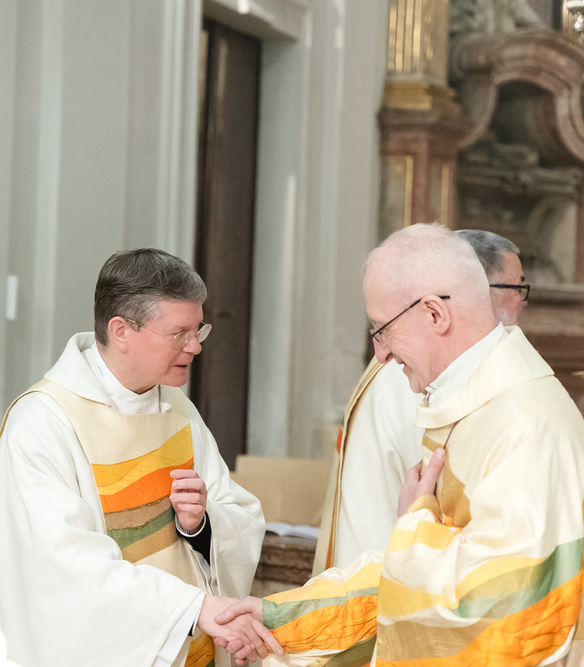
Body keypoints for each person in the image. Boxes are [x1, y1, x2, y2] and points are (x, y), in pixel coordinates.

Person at [217, 224, 584, 666]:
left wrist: (415, 524)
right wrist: (285, 618)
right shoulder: (467, 401)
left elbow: (509, 609)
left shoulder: (523, 423)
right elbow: (409, 568)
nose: (381, 354)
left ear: (435, 314)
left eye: (382, 329)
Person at [0, 249, 280, 667]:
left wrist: (201, 525)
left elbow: (238, 514)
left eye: (198, 329)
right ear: (121, 330)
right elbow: (65, 569)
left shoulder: (178, 410)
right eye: (179, 333)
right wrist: (193, 608)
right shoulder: (44, 422)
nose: (195, 346)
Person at [314, 228, 529, 572]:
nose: (522, 301)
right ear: (476, 290)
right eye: (516, 287)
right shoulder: (419, 374)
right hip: (390, 565)